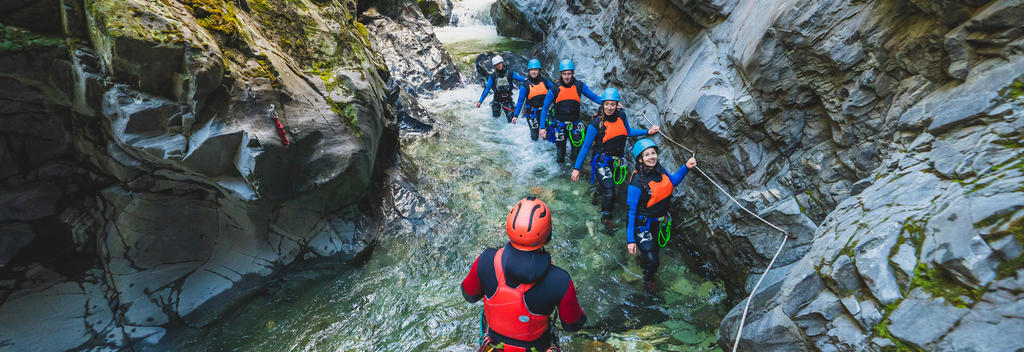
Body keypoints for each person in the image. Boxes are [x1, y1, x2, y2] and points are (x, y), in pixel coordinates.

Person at [461, 197, 587, 352]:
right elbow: (572, 324)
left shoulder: (485, 260)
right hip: (537, 348)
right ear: (547, 236)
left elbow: (469, 295)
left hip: (493, 346)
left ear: (508, 227)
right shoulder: (560, 280)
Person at [570, 88, 658, 228]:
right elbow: (586, 147)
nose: (609, 108)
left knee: (608, 187)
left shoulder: (622, 116)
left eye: (612, 104)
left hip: (616, 161)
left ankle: (596, 194)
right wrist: (576, 168)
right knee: (610, 191)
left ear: (617, 104)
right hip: (601, 161)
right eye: (607, 104)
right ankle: (606, 218)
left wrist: (647, 131)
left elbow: (628, 132)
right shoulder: (596, 123)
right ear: (603, 104)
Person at [624, 139, 696, 294]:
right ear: (640, 159)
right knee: (652, 259)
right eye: (647, 154)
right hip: (642, 224)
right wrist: (630, 240)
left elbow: (673, 182)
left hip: (659, 222)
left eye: (653, 153)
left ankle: (645, 262)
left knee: (654, 253)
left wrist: (686, 167)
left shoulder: (660, 169)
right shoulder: (636, 182)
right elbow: (630, 212)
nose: (652, 157)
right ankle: (648, 279)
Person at [538, 59, 602, 163]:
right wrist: (542, 128)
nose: (567, 76)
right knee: (560, 154)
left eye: (569, 73)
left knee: (576, 154)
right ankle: (560, 175)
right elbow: (545, 108)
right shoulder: (554, 88)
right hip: (560, 126)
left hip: (575, 125)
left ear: (573, 73)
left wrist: (609, 102)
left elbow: (594, 97)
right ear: (561, 74)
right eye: (564, 74)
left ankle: (574, 172)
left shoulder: (579, 86)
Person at [512, 59, 553, 141]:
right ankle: (534, 149)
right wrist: (515, 115)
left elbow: (555, 91)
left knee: (547, 132)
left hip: (544, 111)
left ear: (539, 71)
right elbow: (520, 101)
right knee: (535, 134)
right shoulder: (525, 85)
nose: (534, 72)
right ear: (529, 71)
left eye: (536, 70)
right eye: (532, 70)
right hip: (531, 113)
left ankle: (547, 150)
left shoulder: (545, 82)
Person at [477, 55, 526, 123]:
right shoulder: (493, 76)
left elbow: (522, 79)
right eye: (496, 65)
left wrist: (530, 80)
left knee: (511, 121)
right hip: (497, 101)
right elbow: (487, 89)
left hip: (508, 100)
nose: (498, 66)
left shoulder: (510, 73)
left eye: (499, 63)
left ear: (502, 63)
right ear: (495, 66)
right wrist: (480, 101)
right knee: (495, 120)